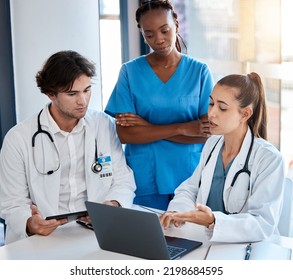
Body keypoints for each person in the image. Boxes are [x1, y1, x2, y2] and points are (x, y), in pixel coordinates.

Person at [0, 50, 136, 244]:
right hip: (42, 239)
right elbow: (12, 202)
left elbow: (123, 179)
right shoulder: (18, 138)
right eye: (72, 94)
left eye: (87, 90)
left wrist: (112, 205)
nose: (83, 101)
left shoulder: (103, 125)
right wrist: (30, 223)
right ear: (50, 94)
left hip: (93, 234)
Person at [104, 0, 214, 210]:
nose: (159, 40)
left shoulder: (199, 72)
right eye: (149, 34)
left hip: (189, 174)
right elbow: (126, 135)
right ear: (143, 34)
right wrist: (183, 128)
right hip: (146, 177)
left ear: (176, 24)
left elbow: (207, 132)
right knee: (146, 238)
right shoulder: (130, 72)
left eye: (164, 30)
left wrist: (146, 126)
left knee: (191, 237)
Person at [160, 72, 286, 243]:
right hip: (208, 243)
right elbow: (189, 189)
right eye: (211, 103)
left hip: (248, 250)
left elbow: (262, 223)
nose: (211, 113)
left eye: (222, 107)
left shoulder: (269, 159)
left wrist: (213, 221)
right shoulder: (212, 145)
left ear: (245, 114)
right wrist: (178, 212)